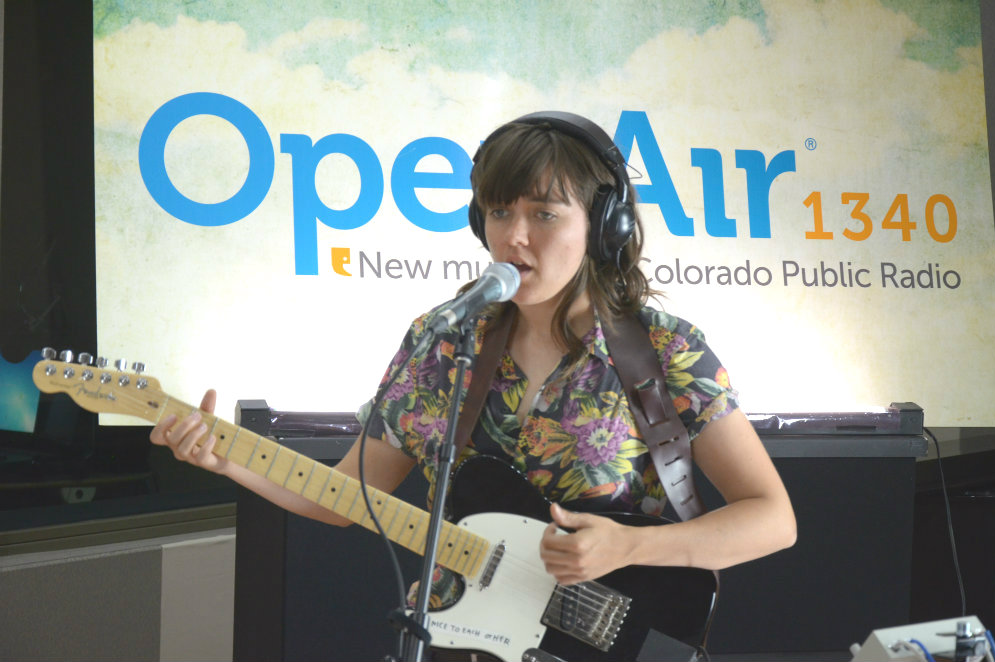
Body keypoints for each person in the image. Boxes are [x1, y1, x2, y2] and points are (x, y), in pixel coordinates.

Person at [150, 110, 795, 641]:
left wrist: (626, 548)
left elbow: (772, 519)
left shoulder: (665, 349)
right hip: (462, 645)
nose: (514, 237)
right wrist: (225, 456)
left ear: (601, 229)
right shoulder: (444, 340)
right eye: (497, 212)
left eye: (544, 214)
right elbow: (347, 497)